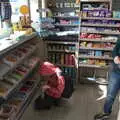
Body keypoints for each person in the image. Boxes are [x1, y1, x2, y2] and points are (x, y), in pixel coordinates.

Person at [94, 39, 120, 120]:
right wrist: (116, 57)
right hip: (117, 71)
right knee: (110, 95)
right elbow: (115, 49)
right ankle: (106, 112)